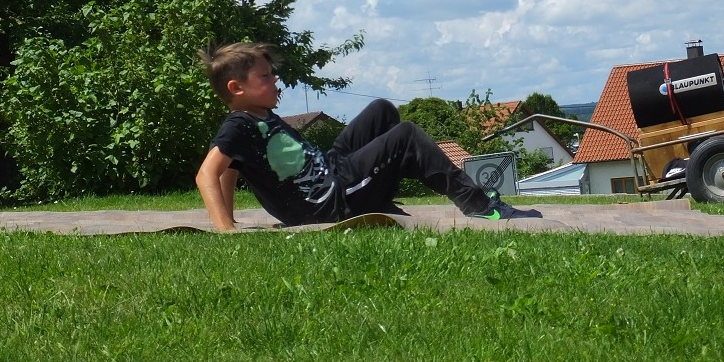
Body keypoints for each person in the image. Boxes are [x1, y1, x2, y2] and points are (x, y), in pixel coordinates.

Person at [195, 41, 541, 231]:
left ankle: (375, 196)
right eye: (266, 77)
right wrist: (226, 229)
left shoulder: (256, 118)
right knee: (404, 136)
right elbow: (208, 173)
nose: (276, 82)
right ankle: (480, 206)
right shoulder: (238, 124)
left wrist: (232, 215)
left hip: (330, 173)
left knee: (382, 110)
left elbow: (232, 166)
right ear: (236, 88)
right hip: (327, 201)